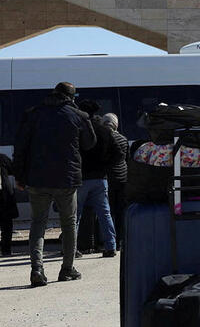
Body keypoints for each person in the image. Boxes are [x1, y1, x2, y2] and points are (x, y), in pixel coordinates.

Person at [12, 82, 96, 286]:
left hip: (37, 179)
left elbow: (20, 147)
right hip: (66, 179)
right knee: (68, 223)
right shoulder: (78, 115)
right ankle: (67, 269)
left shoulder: (33, 113)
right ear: (72, 97)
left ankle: (37, 270)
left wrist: (20, 177)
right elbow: (89, 143)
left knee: (38, 223)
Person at [76, 100, 123, 258]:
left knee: (75, 215)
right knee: (105, 213)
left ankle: (72, 248)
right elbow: (119, 154)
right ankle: (111, 246)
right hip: (100, 178)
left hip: (81, 178)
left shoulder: (78, 130)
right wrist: (105, 167)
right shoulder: (105, 131)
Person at [103, 114, 129, 250]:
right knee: (121, 211)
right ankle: (121, 240)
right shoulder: (123, 139)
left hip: (109, 178)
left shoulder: (104, 139)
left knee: (108, 212)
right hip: (123, 178)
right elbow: (127, 159)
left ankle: (109, 240)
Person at [0, 153, 18, 256]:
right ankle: (6, 249)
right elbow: (14, 170)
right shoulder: (2, 158)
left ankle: (6, 249)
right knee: (6, 225)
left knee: (6, 224)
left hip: (4, 195)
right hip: (3, 196)